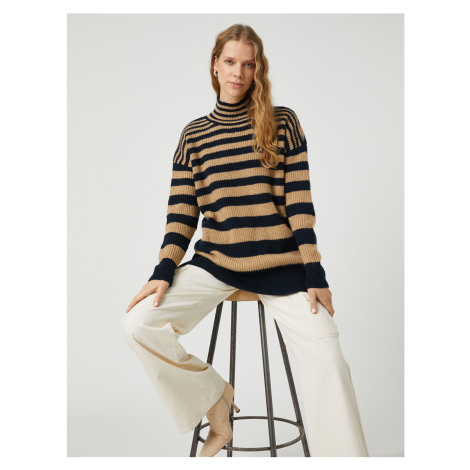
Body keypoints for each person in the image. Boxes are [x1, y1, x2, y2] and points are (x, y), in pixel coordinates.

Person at [121, 23, 369, 457]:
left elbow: (300, 206)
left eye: (248, 64)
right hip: (216, 263)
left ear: (258, 70)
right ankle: (215, 397)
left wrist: (315, 272)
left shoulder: (282, 123)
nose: (238, 72)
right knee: (138, 324)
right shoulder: (194, 136)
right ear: (215, 65)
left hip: (282, 267)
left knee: (329, 359)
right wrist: (163, 271)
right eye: (230, 62)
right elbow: (182, 215)